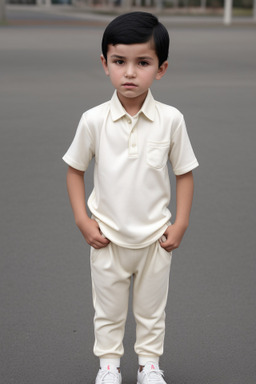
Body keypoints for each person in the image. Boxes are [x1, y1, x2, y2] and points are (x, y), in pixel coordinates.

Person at [63, 11, 198, 384]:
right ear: (104, 64)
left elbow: (183, 172)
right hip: (106, 237)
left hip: (156, 238)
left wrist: (181, 222)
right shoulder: (93, 120)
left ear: (162, 68)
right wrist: (82, 220)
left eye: (143, 63)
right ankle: (108, 366)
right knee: (107, 310)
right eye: (119, 61)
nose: (130, 72)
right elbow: (75, 170)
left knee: (152, 310)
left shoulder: (172, 120)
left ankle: (148, 365)